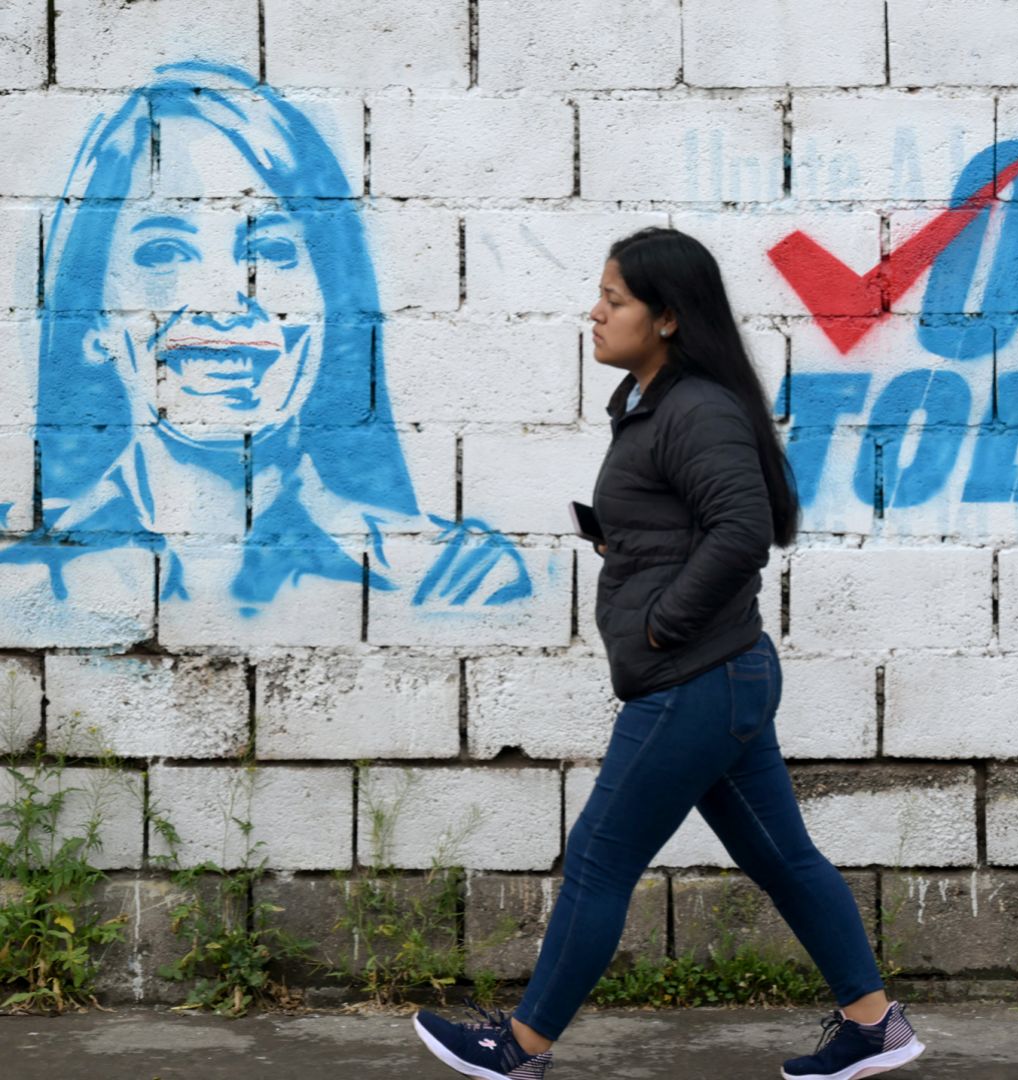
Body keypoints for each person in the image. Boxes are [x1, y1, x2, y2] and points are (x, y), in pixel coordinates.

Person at [412, 226, 926, 1080]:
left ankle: (521, 1047)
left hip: (696, 678)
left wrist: (661, 623)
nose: (597, 311)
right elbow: (694, 527)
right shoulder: (658, 405)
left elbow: (744, 531)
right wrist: (637, 556)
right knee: (781, 856)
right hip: (724, 678)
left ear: (669, 318)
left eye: (614, 299)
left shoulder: (696, 408)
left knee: (601, 855)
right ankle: (875, 1025)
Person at [0, 61, 528, 633]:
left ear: (334, 306)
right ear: (91, 320)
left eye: (273, 252)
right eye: (162, 254)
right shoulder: (23, 581)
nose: (225, 304)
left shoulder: (448, 579)